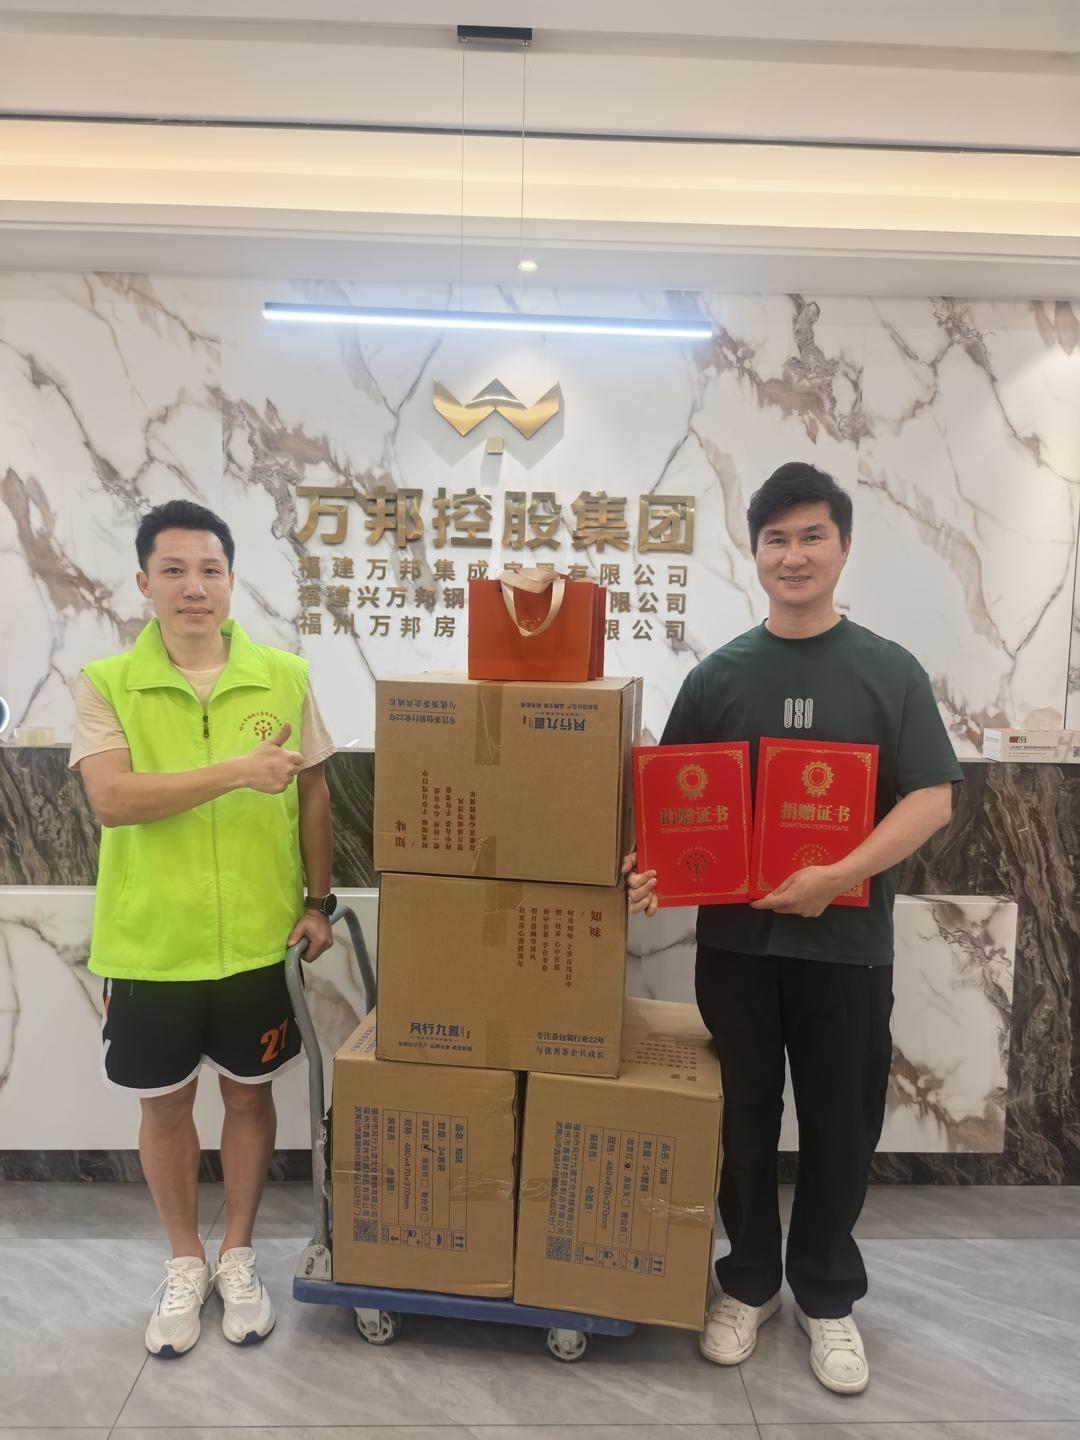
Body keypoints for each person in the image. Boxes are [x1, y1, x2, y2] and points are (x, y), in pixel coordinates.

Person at [625, 463, 962, 1395]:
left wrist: (840, 876)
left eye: (813, 536)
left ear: (843, 548)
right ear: (755, 553)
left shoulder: (889, 671)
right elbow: (671, 807)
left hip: (847, 949)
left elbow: (932, 798)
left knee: (840, 1124)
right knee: (740, 1116)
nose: (794, 554)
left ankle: (826, 1294)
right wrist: (651, 868)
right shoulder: (719, 676)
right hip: (737, 949)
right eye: (776, 538)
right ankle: (747, 1283)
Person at [72, 499, 338, 1358]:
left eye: (210, 570)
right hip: (151, 942)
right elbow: (114, 799)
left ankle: (238, 1255)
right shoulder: (107, 683)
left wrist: (318, 900)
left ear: (231, 580)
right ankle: (185, 1259)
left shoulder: (284, 676)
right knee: (165, 1108)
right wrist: (234, 772)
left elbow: (314, 793)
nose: (194, 587)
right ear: (144, 583)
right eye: (175, 571)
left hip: (260, 940)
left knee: (250, 1097)